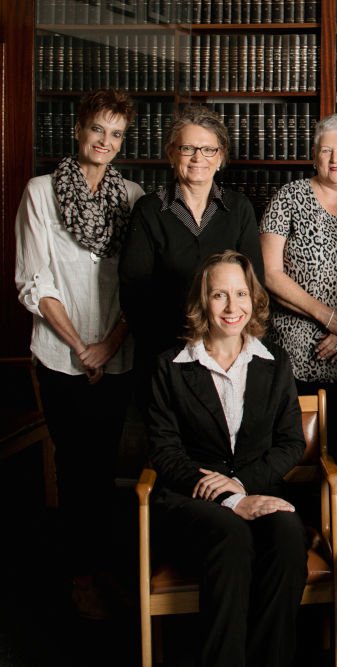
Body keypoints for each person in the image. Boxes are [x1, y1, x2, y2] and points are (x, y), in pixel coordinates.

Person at [14, 88, 145, 619]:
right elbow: (32, 279)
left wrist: (108, 345)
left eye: (116, 134)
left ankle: (106, 568)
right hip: (59, 354)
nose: (105, 141)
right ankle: (81, 577)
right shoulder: (41, 192)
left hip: (117, 353)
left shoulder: (133, 197)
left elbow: (139, 284)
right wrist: (80, 348)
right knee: (75, 468)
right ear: (78, 131)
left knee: (106, 464)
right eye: (98, 130)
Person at [147, 250, 307, 667]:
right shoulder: (170, 367)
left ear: (254, 299)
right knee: (231, 533)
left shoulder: (275, 364)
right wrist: (231, 499)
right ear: (203, 301)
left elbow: (291, 443)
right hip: (192, 503)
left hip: (260, 490)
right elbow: (164, 451)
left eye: (240, 294)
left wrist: (243, 487)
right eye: (219, 295)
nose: (232, 307)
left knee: (288, 534)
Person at [260, 113, 337, 455]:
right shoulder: (288, 197)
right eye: (326, 150)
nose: (335, 159)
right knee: (294, 451)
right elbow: (270, 274)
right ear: (314, 154)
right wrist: (331, 318)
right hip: (295, 350)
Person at [119, 105, 264, 399]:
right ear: (172, 154)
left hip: (228, 356)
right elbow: (134, 294)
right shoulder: (149, 210)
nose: (199, 158)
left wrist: (225, 347)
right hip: (164, 356)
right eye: (188, 148)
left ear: (221, 157)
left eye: (209, 149)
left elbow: (253, 285)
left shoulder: (239, 209)